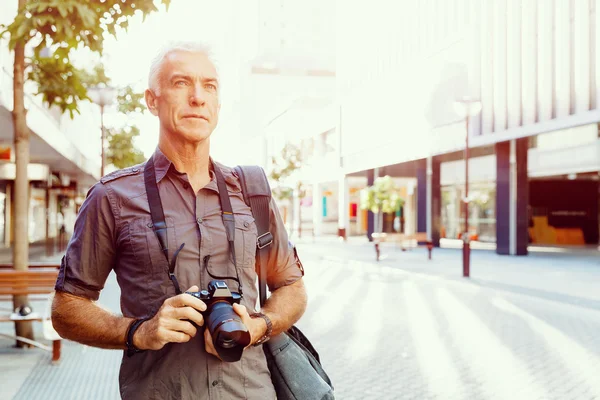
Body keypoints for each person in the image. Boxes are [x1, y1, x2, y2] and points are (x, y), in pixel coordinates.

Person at [52, 41, 307, 400]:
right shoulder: (111, 197)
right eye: (181, 83)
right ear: (152, 100)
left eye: (209, 86)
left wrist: (260, 325)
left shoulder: (253, 191)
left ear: (218, 105)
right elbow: (66, 309)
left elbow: (292, 288)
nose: (198, 97)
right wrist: (140, 332)